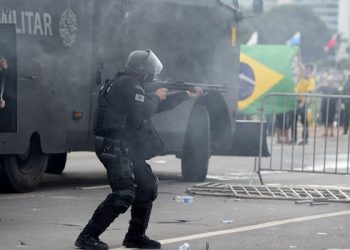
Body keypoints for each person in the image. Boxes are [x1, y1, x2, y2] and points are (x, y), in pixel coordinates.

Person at [75, 49, 204, 250]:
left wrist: (185, 95)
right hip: (114, 145)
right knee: (124, 193)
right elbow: (146, 109)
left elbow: (151, 107)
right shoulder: (128, 84)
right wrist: (157, 97)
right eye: (150, 70)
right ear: (142, 70)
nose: (152, 74)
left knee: (146, 186)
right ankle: (87, 236)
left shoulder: (129, 84)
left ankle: (135, 236)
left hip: (124, 146)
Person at [292, 63, 316, 145]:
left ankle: (305, 139)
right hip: (296, 100)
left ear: (311, 71)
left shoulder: (311, 80)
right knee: (294, 120)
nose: (307, 71)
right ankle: (293, 139)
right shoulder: (302, 76)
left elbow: (308, 93)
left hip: (304, 101)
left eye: (309, 70)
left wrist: (303, 103)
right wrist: (298, 55)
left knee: (304, 121)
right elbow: (299, 65)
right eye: (306, 69)